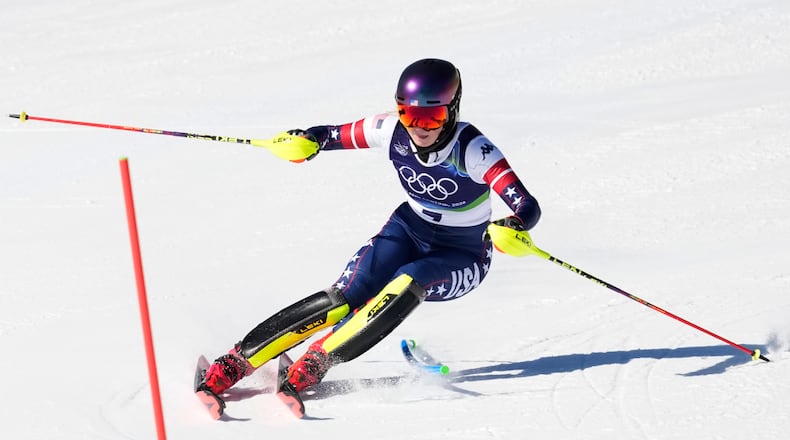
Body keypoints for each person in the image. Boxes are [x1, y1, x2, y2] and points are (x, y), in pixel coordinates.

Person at [196, 58, 541, 404]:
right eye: (408, 115)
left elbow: (526, 205)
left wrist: (514, 224)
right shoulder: (391, 131)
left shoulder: (473, 150)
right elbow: (330, 135)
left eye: (431, 117)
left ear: (452, 110)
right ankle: (236, 362)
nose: (418, 128)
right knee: (345, 297)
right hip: (408, 230)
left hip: (463, 254)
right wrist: (306, 142)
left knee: (409, 280)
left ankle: (317, 362)